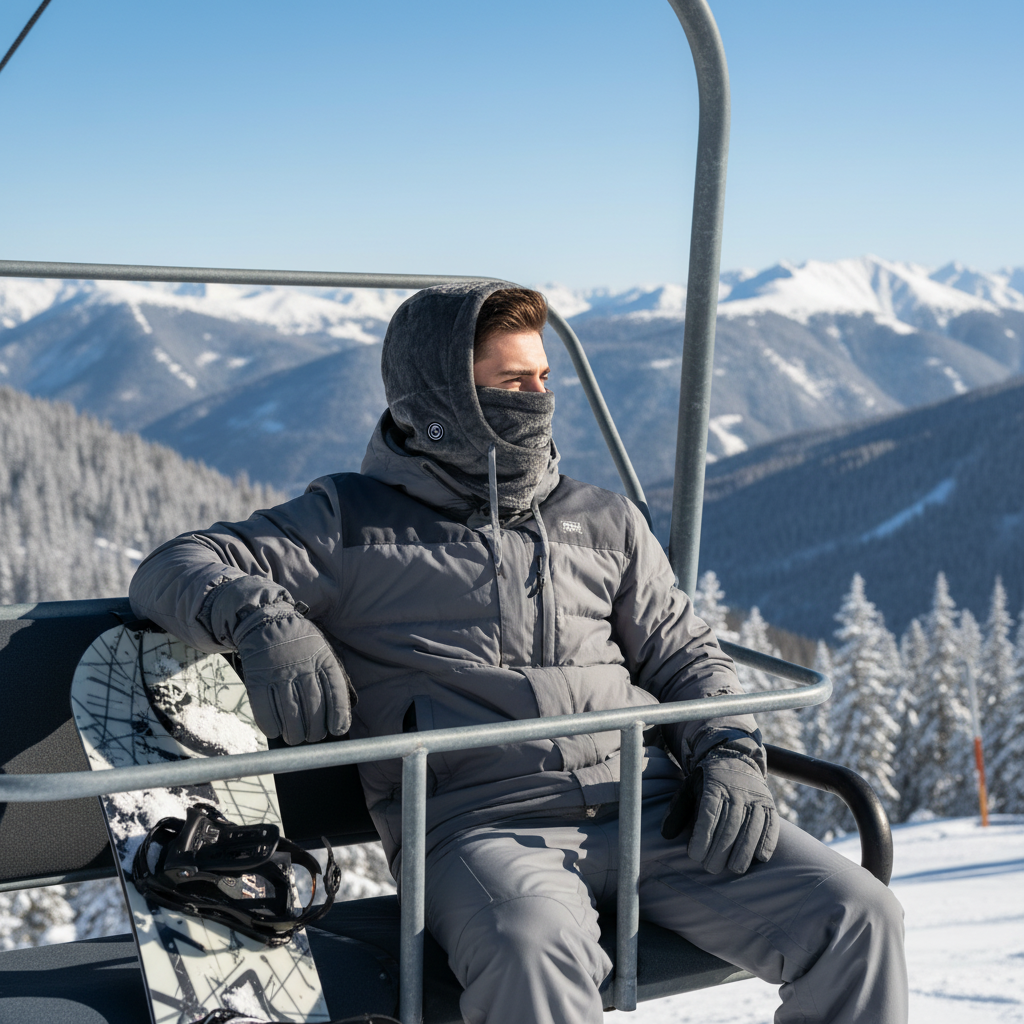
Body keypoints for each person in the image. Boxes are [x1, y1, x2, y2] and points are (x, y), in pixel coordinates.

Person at [129, 281, 907, 1024]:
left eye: (542, 378)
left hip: (654, 809)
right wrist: (265, 619)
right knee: (530, 948)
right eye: (511, 381)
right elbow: (171, 567)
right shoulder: (350, 523)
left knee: (858, 916)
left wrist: (730, 748)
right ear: (439, 402)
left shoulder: (602, 520)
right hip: (481, 826)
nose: (535, 398)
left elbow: (683, 654)